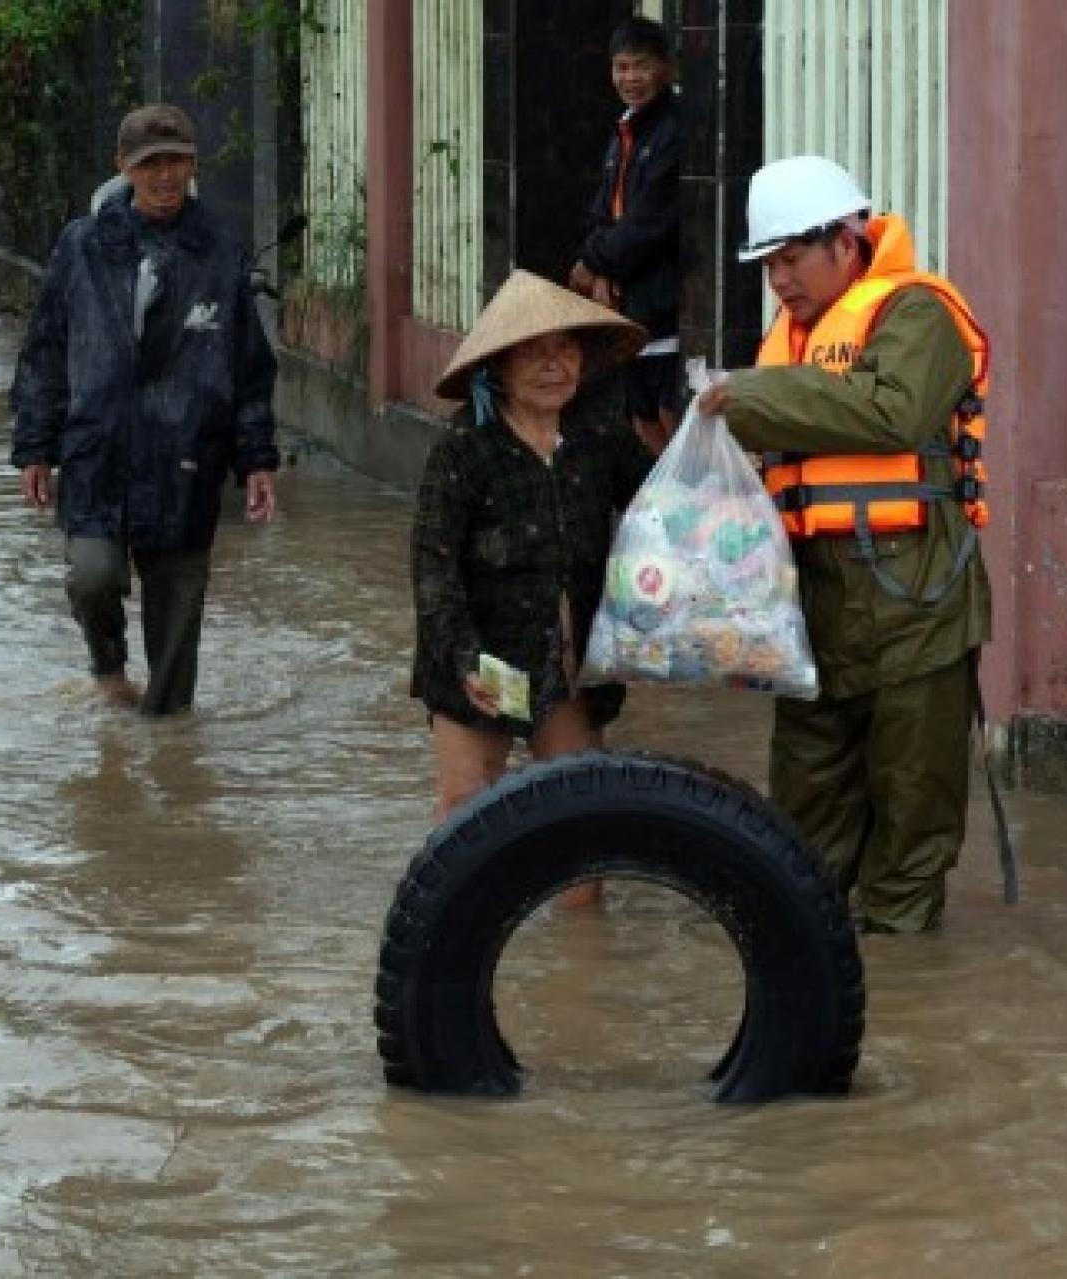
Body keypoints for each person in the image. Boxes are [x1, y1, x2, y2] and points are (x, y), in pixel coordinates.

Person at [695, 156, 992, 934]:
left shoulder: (918, 312)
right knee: (802, 829)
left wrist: (748, 397)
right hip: (815, 609)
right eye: (769, 265)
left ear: (847, 239)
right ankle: (810, 981)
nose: (779, 280)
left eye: (791, 259)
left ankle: (902, 1000)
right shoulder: (786, 341)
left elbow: (891, 412)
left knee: (910, 825)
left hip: (914, 606)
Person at [11, 103, 280, 717]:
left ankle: (171, 760)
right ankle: (108, 668)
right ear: (123, 168)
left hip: (186, 456)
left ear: (193, 164)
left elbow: (248, 364)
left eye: (176, 162)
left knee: (177, 631)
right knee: (92, 575)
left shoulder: (216, 251)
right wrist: (35, 444)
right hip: (97, 451)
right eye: (150, 164)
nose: (165, 177)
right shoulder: (83, 246)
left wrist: (257, 458)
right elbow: (46, 349)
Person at [411, 270, 651, 881]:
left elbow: (659, 508)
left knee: (578, 817)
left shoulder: (600, 438)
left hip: (570, 661)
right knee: (468, 811)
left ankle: (580, 950)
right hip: (486, 655)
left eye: (565, 350)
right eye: (534, 353)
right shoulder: (466, 449)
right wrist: (464, 660)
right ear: (499, 366)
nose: (553, 366)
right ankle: (447, 935)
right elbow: (433, 568)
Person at [567, 15, 683, 454]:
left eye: (641, 66)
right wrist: (595, 264)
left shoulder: (673, 131)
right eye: (621, 67)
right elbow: (604, 209)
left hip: (661, 297)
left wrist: (594, 261)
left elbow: (652, 223)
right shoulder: (625, 131)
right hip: (627, 299)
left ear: (667, 69)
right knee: (641, 414)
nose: (630, 78)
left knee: (667, 410)